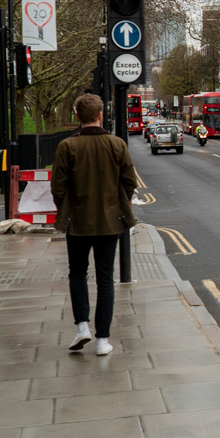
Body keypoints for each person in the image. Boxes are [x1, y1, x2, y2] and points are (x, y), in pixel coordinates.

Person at [52, 94, 139, 356]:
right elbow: (129, 181)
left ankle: (82, 328)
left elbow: (58, 188)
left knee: (77, 273)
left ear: (77, 116)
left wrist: (66, 211)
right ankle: (103, 340)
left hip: (77, 223)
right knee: (105, 280)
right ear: (100, 114)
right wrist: (118, 205)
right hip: (109, 223)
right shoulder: (117, 144)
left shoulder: (67, 146)